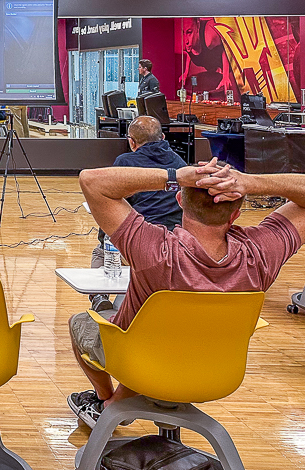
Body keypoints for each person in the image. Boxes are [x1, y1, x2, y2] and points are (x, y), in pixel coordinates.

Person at [67, 159, 305, 429]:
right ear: (236, 213)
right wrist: (250, 182)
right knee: (153, 334)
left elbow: (91, 180)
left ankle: (108, 402)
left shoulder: (155, 251)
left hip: (141, 363)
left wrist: (176, 175)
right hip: (216, 372)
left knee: (81, 322)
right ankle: (120, 400)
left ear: (180, 198)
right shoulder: (261, 254)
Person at [88, 116, 186, 313]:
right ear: (163, 137)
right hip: (173, 243)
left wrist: (106, 240)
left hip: (137, 244)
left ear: (132, 142)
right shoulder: (180, 163)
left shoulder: (125, 162)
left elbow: (111, 203)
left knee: (100, 251)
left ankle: (99, 296)